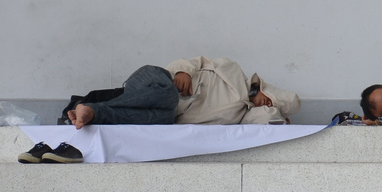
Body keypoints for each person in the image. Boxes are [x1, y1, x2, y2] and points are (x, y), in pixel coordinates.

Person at [65, 57, 299, 128]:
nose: (265, 103)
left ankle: (92, 112)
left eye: (269, 105)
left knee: (163, 118)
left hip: (161, 110)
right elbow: (195, 60)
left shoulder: (235, 117)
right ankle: (93, 107)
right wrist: (182, 72)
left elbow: (263, 122)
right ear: (264, 88)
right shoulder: (232, 68)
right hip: (155, 81)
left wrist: (277, 119)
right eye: (268, 99)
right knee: (168, 95)